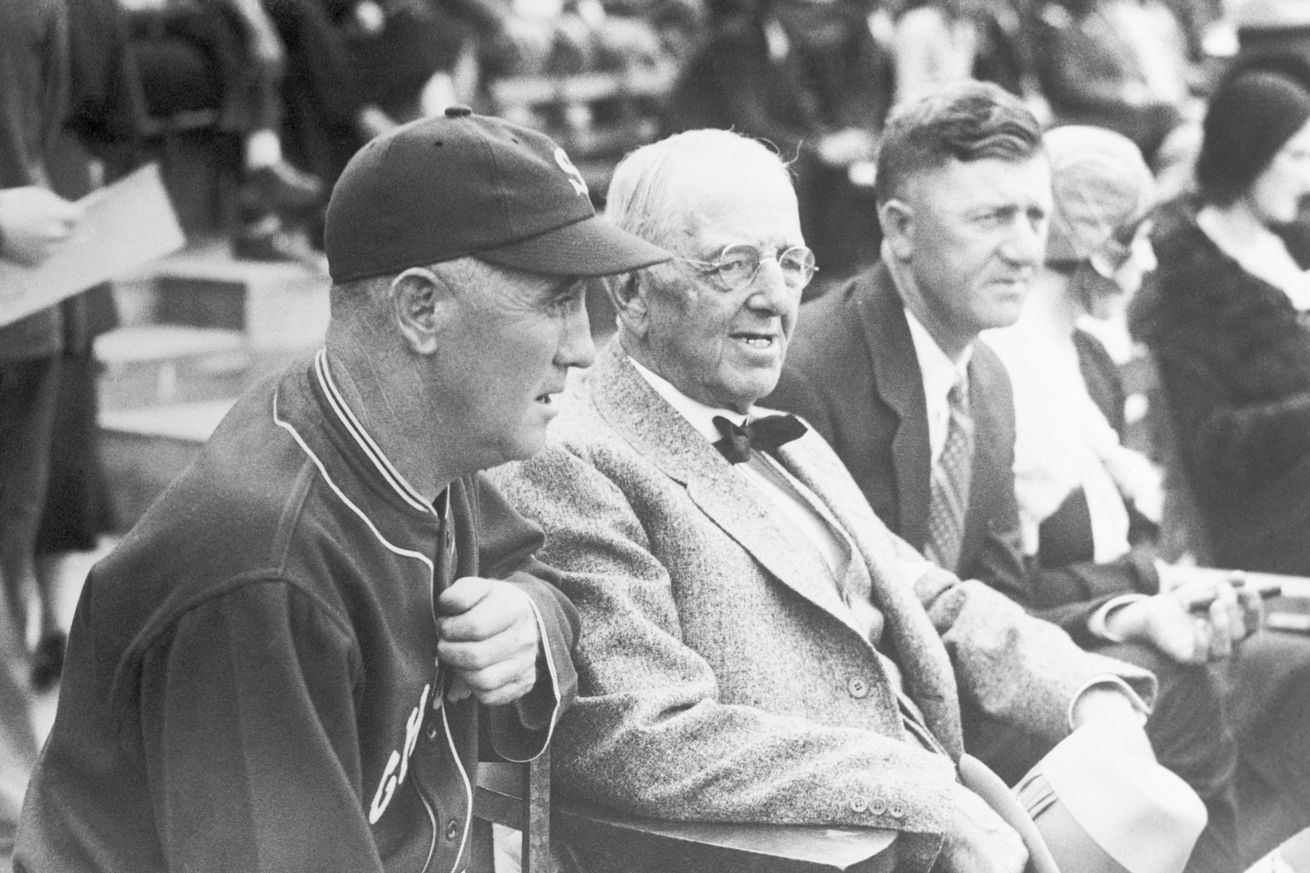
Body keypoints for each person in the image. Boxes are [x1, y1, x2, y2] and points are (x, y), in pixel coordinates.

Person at [485, 124, 1189, 873]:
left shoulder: (778, 433)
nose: (775, 296)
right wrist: (927, 799)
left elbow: (932, 597)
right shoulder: (577, 455)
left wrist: (1086, 691)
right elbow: (645, 736)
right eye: (733, 265)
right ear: (631, 288)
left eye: (791, 262)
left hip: (940, 814)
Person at [15, 107, 671, 873]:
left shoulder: (403, 432)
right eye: (556, 303)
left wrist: (533, 618)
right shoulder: (264, 568)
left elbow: (539, 581)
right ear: (421, 309)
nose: (583, 349)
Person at [766, 82, 1242, 873]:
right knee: (1173, 706)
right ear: (900, 230)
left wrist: (1126, 615)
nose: (1024, 248)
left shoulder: (984, 372)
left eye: (1034, 216)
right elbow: (817, 645)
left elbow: (998, 592)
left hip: (960, 684)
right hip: (872, 736)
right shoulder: (809, 372)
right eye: (990, 218)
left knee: (1170, 683)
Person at [986, 124, 1310, 866]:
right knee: (1281, 677)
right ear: (1098, 244)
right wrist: (1150, 592)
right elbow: (1012, 583)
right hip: (1072, 640)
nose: (1152, 257)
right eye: (1137, 235)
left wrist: (1169, 585)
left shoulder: (1085, 355)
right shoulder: (1013, 372)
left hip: (1134, 604)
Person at [1132, 66, 1310, 858]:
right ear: (1248, 155)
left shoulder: (1286, 244)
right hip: (1265, 523)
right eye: (1297, 157)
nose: (1308, 178)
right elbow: (1216, 449)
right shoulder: (1190, 279)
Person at [665, 0, 891, 287]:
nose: (819, 20)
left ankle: (828, 279)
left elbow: (796, 118)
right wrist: (819, 149)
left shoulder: (785, 43)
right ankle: (794, 279)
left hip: (738, 151)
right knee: (795, 175)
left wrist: (833, 143)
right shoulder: (737, 42)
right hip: (698, 157)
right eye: (808, 10)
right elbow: (745, 123)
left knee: (842, 177)